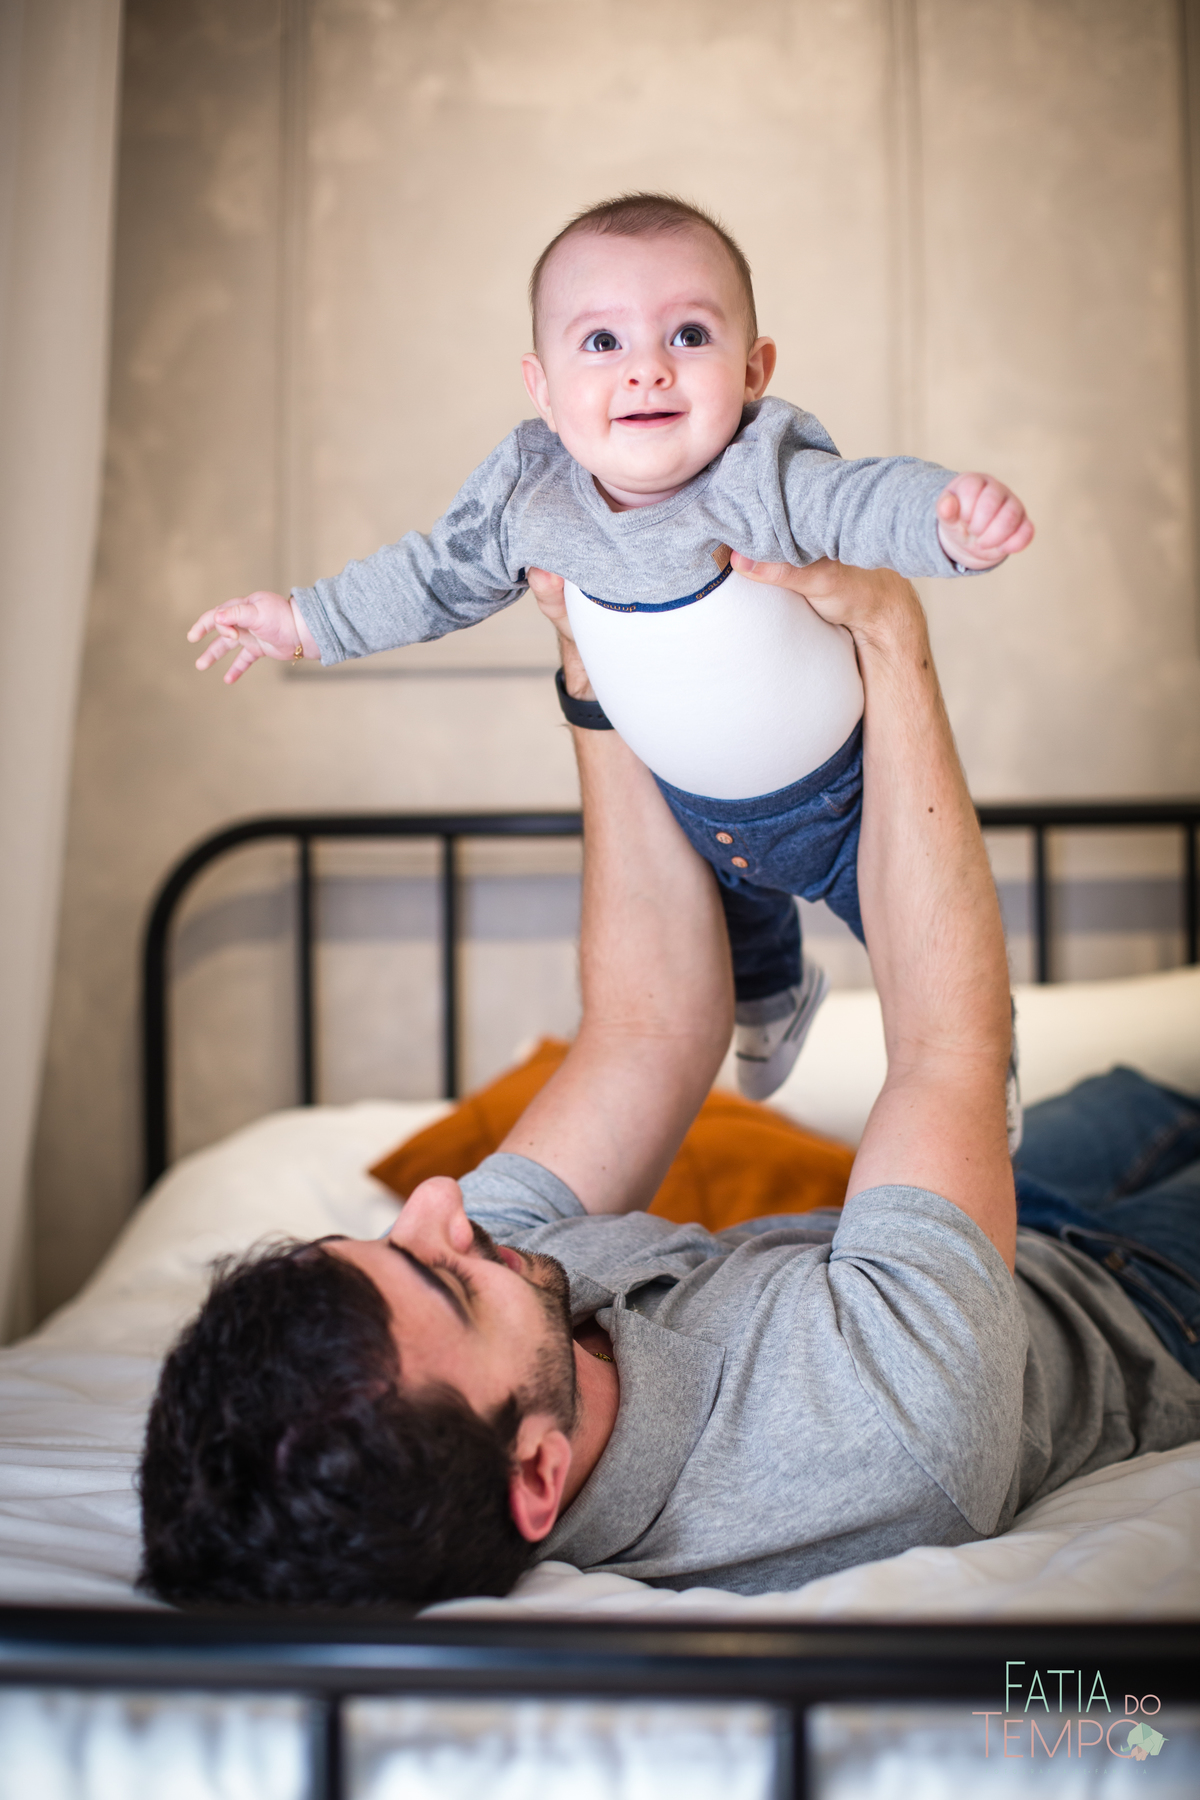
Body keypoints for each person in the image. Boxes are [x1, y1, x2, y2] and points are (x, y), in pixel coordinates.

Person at [140, 559, 1200, 1610]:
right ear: (538, 1475)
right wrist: (890, 641)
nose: (440, 1207)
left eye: (386, 1242)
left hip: (955, 1239)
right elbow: (947, 1047)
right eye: (444, 1278)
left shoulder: (491, 1342)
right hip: (1137, 1307)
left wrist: (588, 667)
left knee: (1136, 1094)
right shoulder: (875, 1434)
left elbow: (649, 1031)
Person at [184, 192, 1033, 1101]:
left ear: (754, 372)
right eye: (602, 344)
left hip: (846, 803)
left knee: (922, 950)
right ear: (541, 388)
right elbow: (434, 574)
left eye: (691, 336)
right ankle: (776, 997)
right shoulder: (533, 494)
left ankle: (989, 1053)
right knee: (732, 919)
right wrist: (306, 622)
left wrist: (947, 522)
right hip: (688, 804)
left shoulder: (763, 473)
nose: (648, 372)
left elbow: (860, 501)